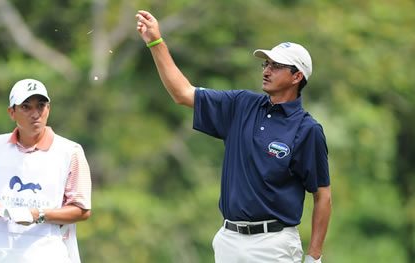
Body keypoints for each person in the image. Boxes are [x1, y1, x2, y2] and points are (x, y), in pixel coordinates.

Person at [135, 10, 331, 263]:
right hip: (228, 240)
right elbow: (182, 93)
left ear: (297, 76)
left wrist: (314, 257)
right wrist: (155, 42)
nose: (267, 70)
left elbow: (322, 196)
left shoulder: (307, 130)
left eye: (276, 66)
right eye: (266, 64)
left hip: (273, 244)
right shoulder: (242, 104)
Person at [0, 78, 92, 263]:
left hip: (45, 255)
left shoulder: (69, 151)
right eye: (26, 107)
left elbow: (82, 210)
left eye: (41, 106)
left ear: (48, 109)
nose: (35, 114)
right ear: (12, 112)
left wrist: (38, 215)